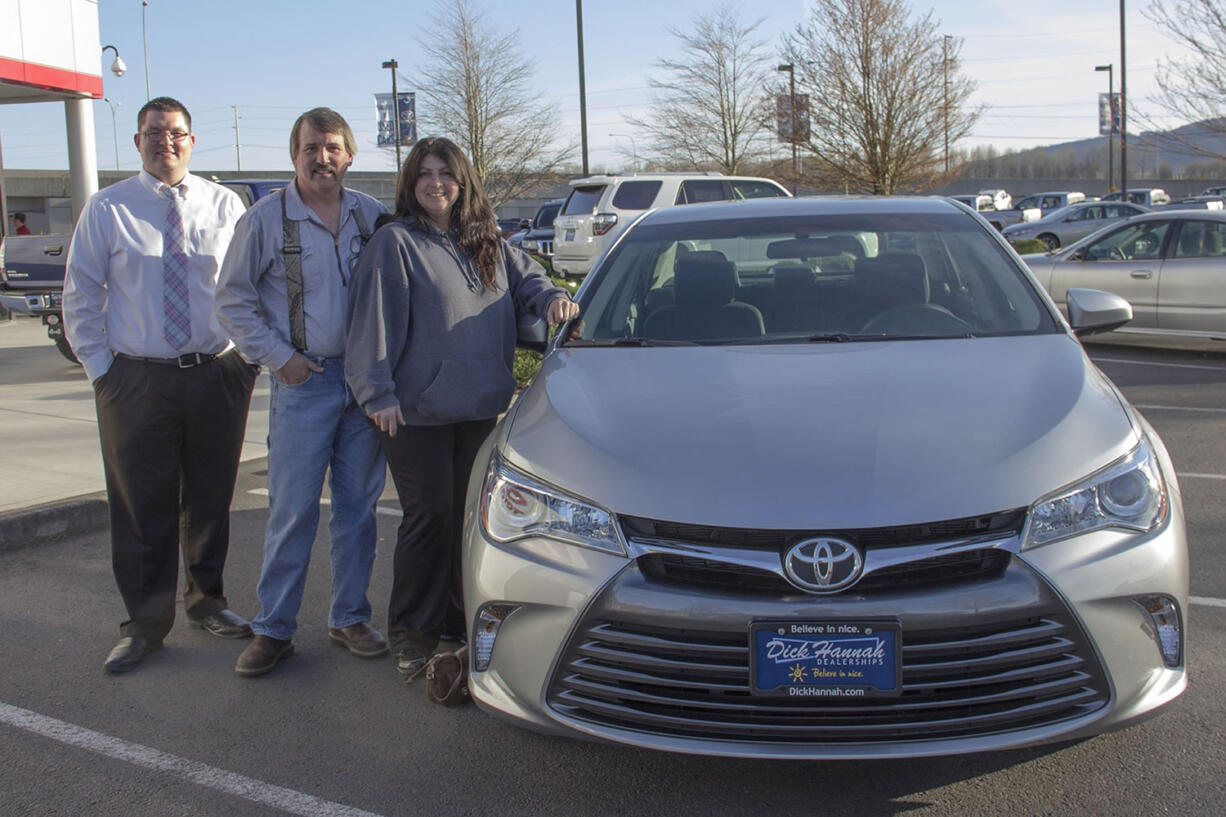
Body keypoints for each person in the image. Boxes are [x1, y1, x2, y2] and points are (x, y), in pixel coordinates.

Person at [345, 137, 579, 677]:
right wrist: (377, 393)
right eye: (423, 174)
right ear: (410, 183)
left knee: (466, 520)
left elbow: (531, 281)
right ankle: (412, 632)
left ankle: (456, 619)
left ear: (462, 181)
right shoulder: (396, 243)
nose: (435, 183)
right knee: (428, 518)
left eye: (445, 173)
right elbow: (370, 324)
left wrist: (550, 300)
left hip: (478, 409)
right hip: (414, 414)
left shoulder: (487, 242)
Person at [62, 97, 257, 674]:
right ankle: (145, 622)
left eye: (175, 133)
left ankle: (208, 602)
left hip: (216, 374)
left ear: (192, 141)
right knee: (140, 504)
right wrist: (103, 371)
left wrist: (244, 361)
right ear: (138, 141)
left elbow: (248, 285)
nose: (164, 142)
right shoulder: (108, 208)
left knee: (211, 495)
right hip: (136, 380)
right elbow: (81, 296)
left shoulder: (226, 205)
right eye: (153, 133)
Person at [216, 108, 389, 678]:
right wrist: (281, 360)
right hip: (304, 383)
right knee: (292, 511)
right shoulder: (265, 220)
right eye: (312, 147)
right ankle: (273, 629)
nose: (323, 158)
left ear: (350, 156)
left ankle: (349, 617)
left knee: (358, 511)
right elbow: (233, 301)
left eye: (333, 147)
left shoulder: (371, 215)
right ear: (295, 155)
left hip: (363, 385)